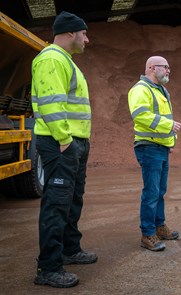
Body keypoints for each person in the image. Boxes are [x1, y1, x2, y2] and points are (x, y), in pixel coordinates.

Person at [31, 11, 97, 288]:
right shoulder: (51, 58)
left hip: (73, 142)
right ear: (70, 32)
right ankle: (49, 267)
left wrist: (76, 141)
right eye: (83, 34)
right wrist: (65, 139)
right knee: (57, 203)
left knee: (72, 199)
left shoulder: (65, 61)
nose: (87, 39)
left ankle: (70, 249)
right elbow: (50, 103)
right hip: (61, 143)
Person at [128, 56, 181, 252]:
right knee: (151, 193)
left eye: (169, 67)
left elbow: (160, 117)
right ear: (151, 67)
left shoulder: (161, 90)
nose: (168, 70)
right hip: (148, 147)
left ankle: (159, 227)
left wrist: (169, 142)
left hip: (160, 147)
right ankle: (148, 234)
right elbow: (140, 116)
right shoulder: (141, 89)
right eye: (165, 67)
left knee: (159, 191)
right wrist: (169, 126)